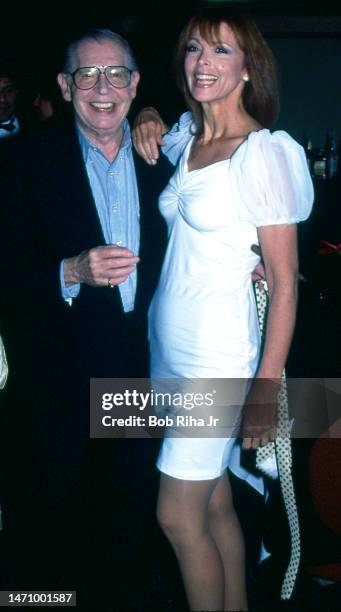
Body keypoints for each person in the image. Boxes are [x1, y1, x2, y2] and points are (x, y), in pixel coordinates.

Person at [132, 8, 314, 611]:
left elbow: (285, 284)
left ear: (246, 69)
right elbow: (154, 126)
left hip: (220, 357)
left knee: (175, 515)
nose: (203, 63)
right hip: (168, 349)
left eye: (220, 52)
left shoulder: (262, 152)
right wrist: (147, 113)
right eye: (193, 50)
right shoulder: (187, 136)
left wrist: (263, 388)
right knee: (210, 504)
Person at [0, 28, 172, 607]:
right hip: (56, 381)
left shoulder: (166, 157)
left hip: (139, 372)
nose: (103, 88)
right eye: (88, 76)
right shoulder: (22, 160)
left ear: (136, 84)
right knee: (50, 534)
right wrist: (69, 271)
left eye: (117, 74)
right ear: (63, 86)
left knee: (131, 524)